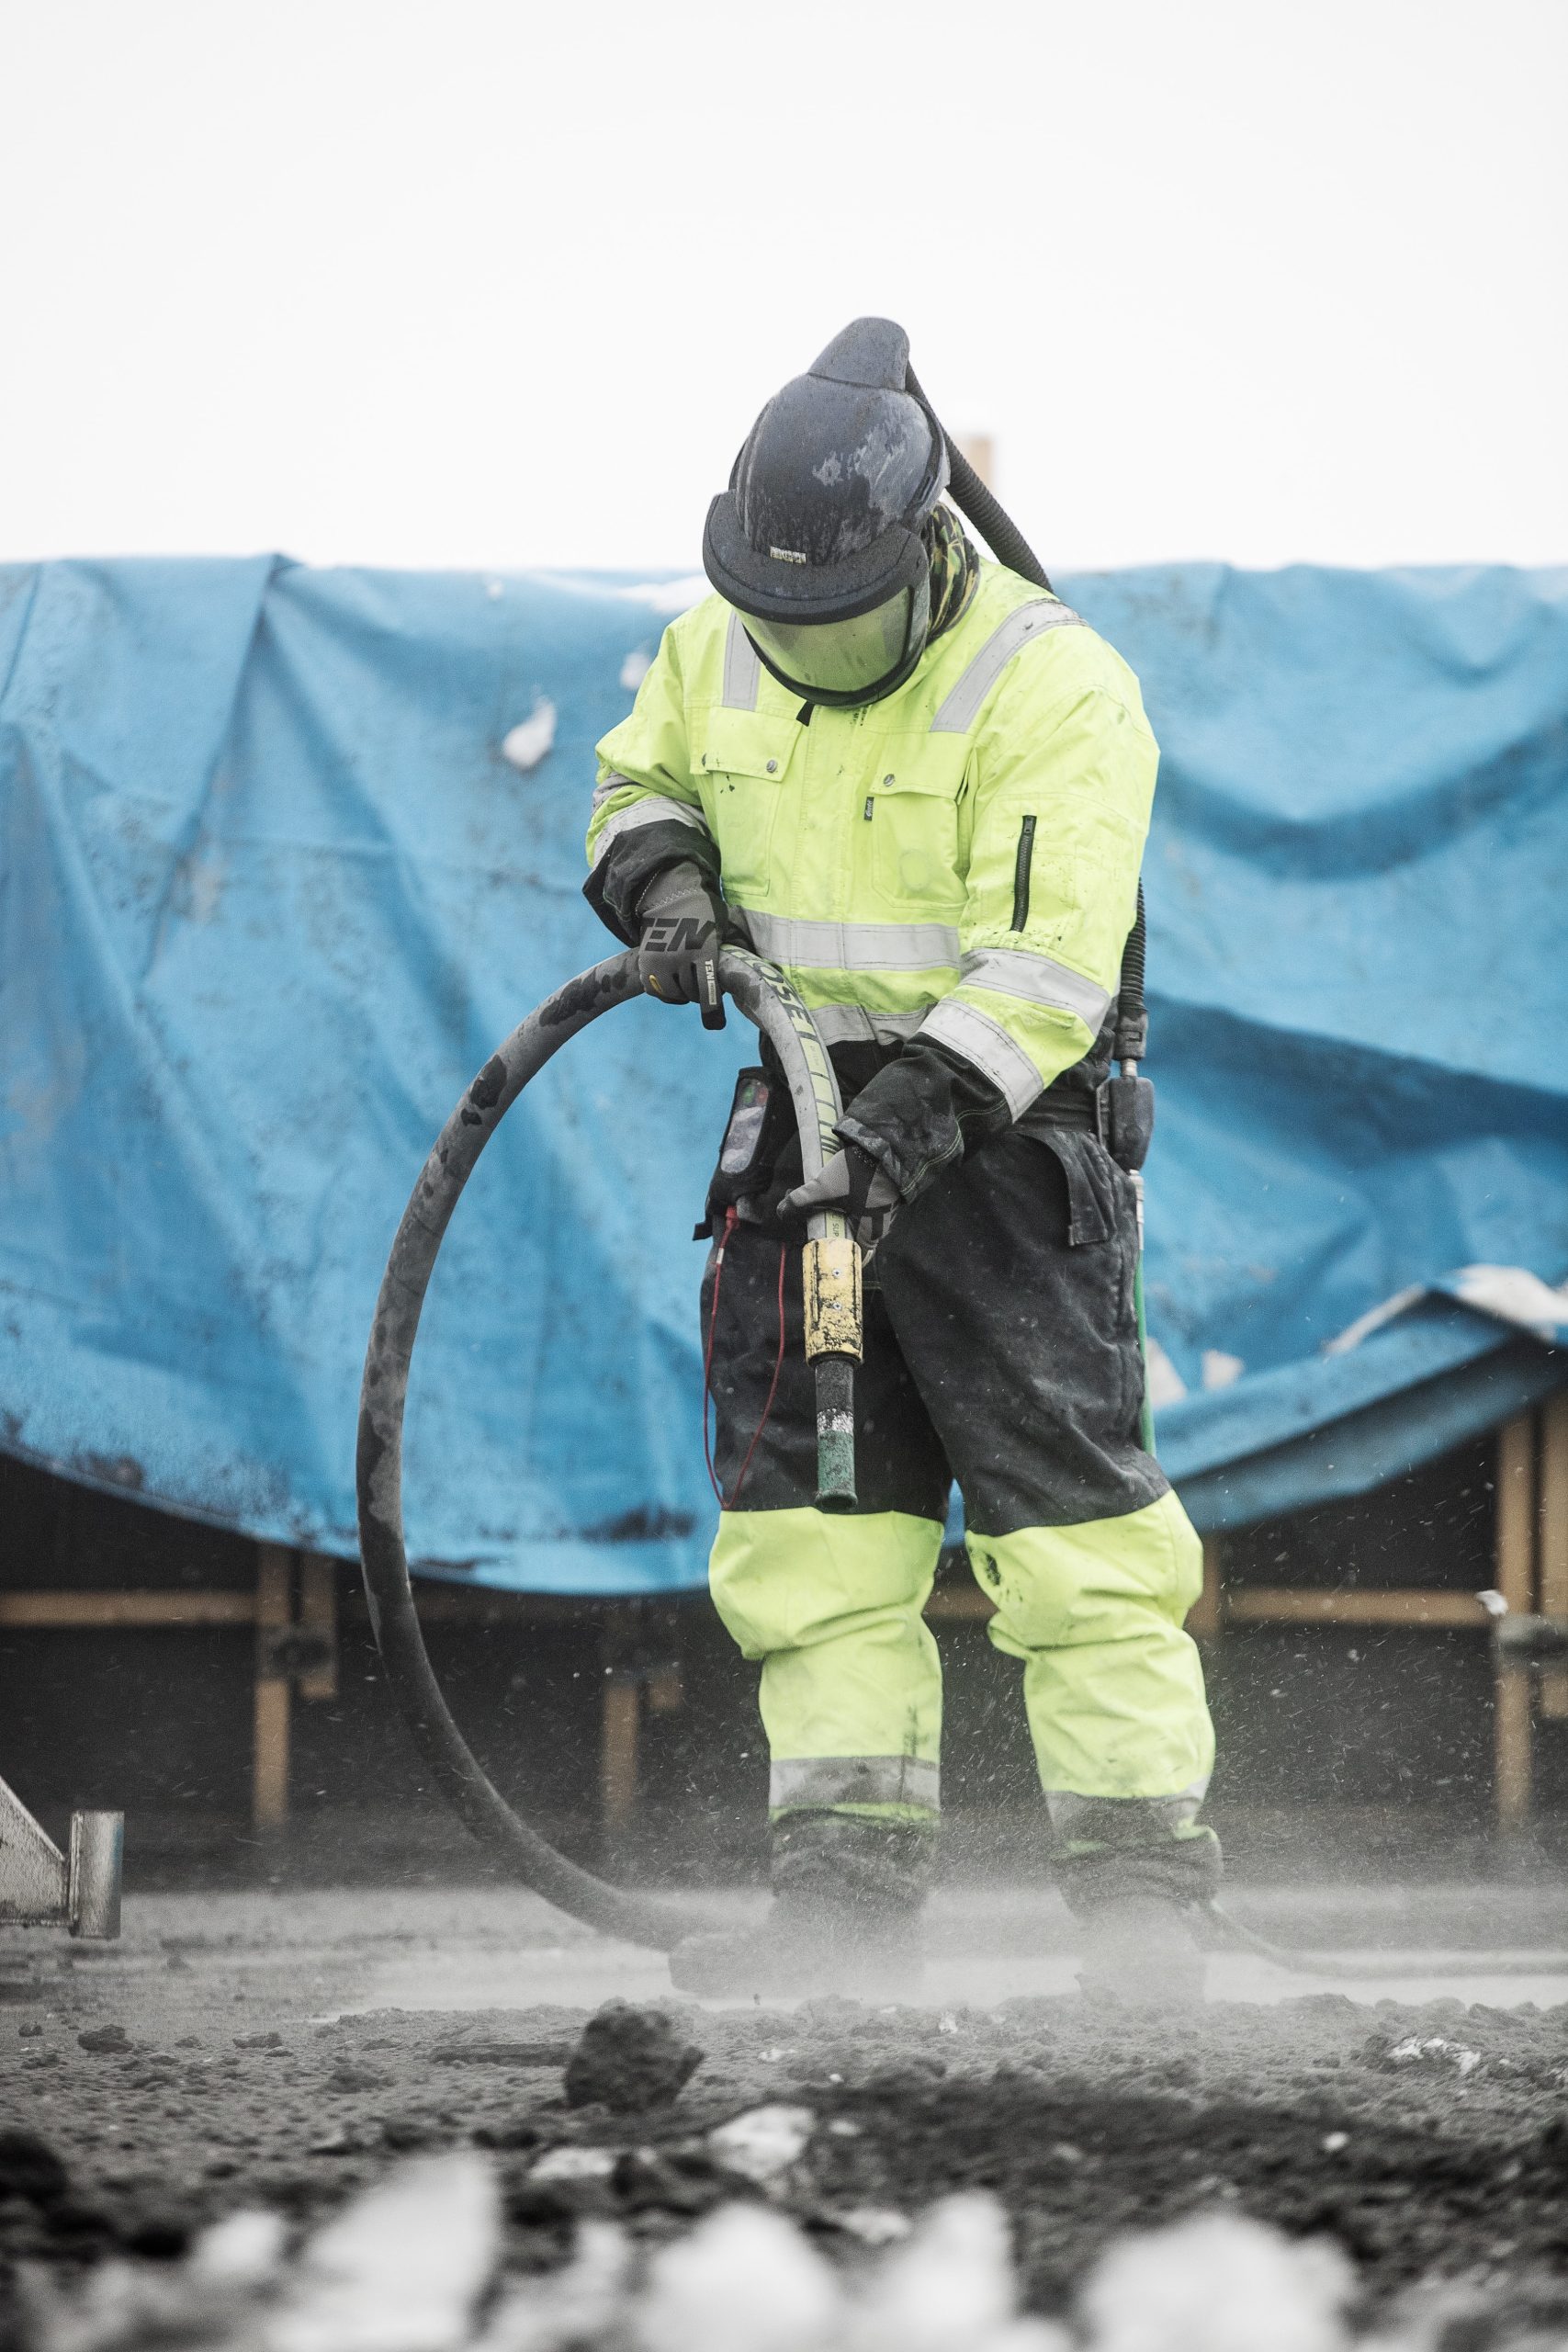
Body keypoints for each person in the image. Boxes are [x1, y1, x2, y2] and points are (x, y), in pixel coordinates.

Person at [583, 318, 1217, 2004]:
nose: (793, 643)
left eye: (830, 614)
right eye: (772, 613)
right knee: (815, 1533)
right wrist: (663, 885)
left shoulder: (1052, 682)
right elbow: (635, 783)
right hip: (798, 1128)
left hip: (999, 1140)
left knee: (1074, 1543)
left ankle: (1144, 1907)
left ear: (922, 544)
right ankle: (845, 1908)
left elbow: (1052, 965)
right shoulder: (714, 641)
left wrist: (908, 1128)